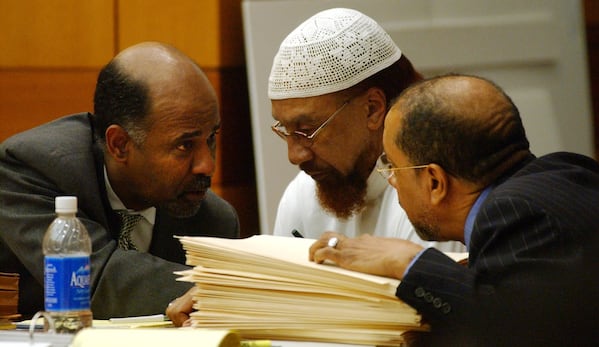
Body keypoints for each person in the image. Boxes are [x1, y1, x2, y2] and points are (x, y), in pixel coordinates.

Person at [309, 74, 599, 346]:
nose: (393, 180)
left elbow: (514, 330)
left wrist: (410, 262)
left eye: (394, 167)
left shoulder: (514, 212)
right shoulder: (569, 169)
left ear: (435, 181)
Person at [0, 42, 240, 321]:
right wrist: (222, 289)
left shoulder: (214, 222)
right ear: (119, 144)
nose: (208, 165)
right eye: (185, 145)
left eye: (211, 139)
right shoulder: (32, 169)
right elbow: (99, 282)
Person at [268, 8, 464, 252]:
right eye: (284, 129)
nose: (294, 156)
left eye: (306, 130)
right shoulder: (303, 194)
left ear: (372, 109)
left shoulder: (433, 195)